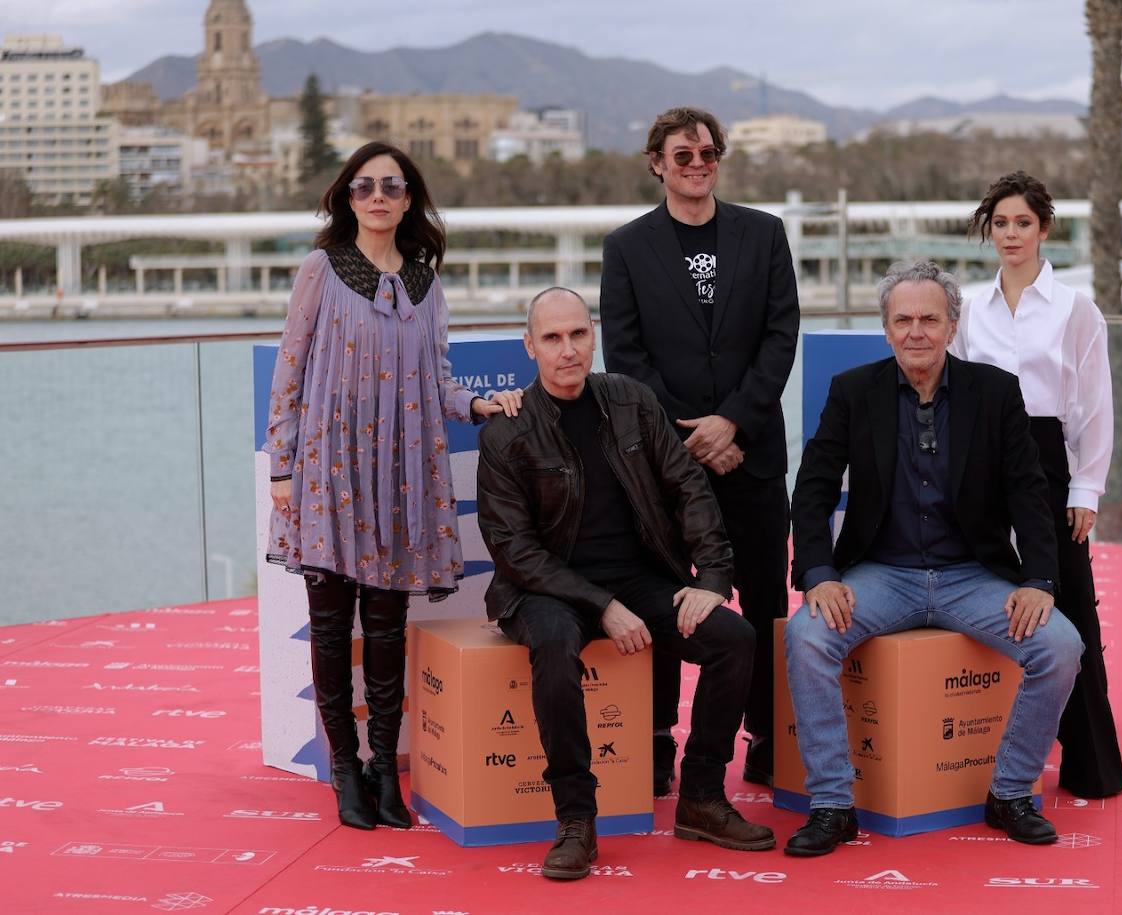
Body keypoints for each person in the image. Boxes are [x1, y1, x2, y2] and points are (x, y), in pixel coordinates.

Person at [783, 260, 1084, 856]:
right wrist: (818, 574)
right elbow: (813, 486)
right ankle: (832, 804)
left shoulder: (994, 392)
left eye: (929, 319)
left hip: (972, 576)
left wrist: (1040, 580)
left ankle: (1011, 792)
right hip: (882, 575)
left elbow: (1028, 492)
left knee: (1061, 645)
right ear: (887, 328)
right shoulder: (854, 392)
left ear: (952, 325)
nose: (915, 331)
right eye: (903, 320)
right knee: (806, 637)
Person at [264, 141, 522, 831]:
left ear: (409, 199)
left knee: (385, 626)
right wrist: (282, 466)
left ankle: (385, 768)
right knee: (328, 625)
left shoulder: (426, 283)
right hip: (327, 468)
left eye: (392, 185)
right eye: (364, 185)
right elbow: (288, 369)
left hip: (399, 475)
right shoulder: (320, 268)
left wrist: (478, 406)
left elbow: (439, 378)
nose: (377, 196)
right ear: (346, 196)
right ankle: (343, 768)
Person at [477, 287, 774, 880]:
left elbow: (689, 486)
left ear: (594, 335)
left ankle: (701, 797)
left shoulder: (632, 401)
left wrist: (712, 577)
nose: (568, 351)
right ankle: (577, 820)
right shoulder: (507, 433)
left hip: (639, 580)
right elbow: (514, 550)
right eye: (553, 338)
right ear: (530, 345)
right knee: (557, 645)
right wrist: (601, 605)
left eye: (578, 335)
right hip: (545, 591)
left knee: (735, 638)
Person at [600, 106, 800, 793]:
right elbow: (625, 359)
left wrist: (733, 424)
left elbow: (781, 338)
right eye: (682, 154)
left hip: (753, 456)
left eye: (708, 153)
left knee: (767, 599)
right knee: (664, 598)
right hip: (667, 466)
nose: (697, 163)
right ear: (657, 161)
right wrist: (693, 440)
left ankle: (767, 736)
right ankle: (657, 737)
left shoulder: (766, 235)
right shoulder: (626, 248)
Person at [954, 171, 1122, 799]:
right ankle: (976, 752)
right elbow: (961, 395)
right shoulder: (970, 307)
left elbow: (1092, 405)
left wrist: (1086, 490)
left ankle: (1091, 764)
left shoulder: (1076, 307)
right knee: (985, 594)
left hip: (1050, 462)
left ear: (1044, 228)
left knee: (1072, 605)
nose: (1010, 234)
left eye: (1022, 222)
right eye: (1000, 223)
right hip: (985, 462)